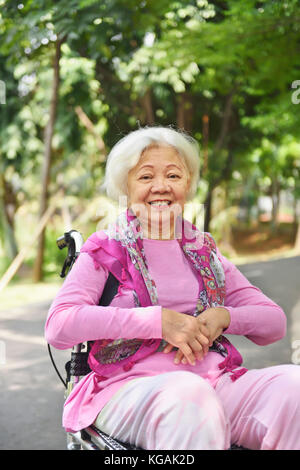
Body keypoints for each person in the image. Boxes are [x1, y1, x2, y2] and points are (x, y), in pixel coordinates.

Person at [45, 126, 300, 450]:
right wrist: (157, 322)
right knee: (190, 398)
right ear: (126, 186)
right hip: (127, 389)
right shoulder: (106, 248)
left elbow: (273, 323)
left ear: (189, 184)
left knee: (294, 387)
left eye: (174, 176)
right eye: (146, 177)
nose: (161, 187)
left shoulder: (205, 252)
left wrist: (223, 316)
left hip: (214, 382)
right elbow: (59, 325)